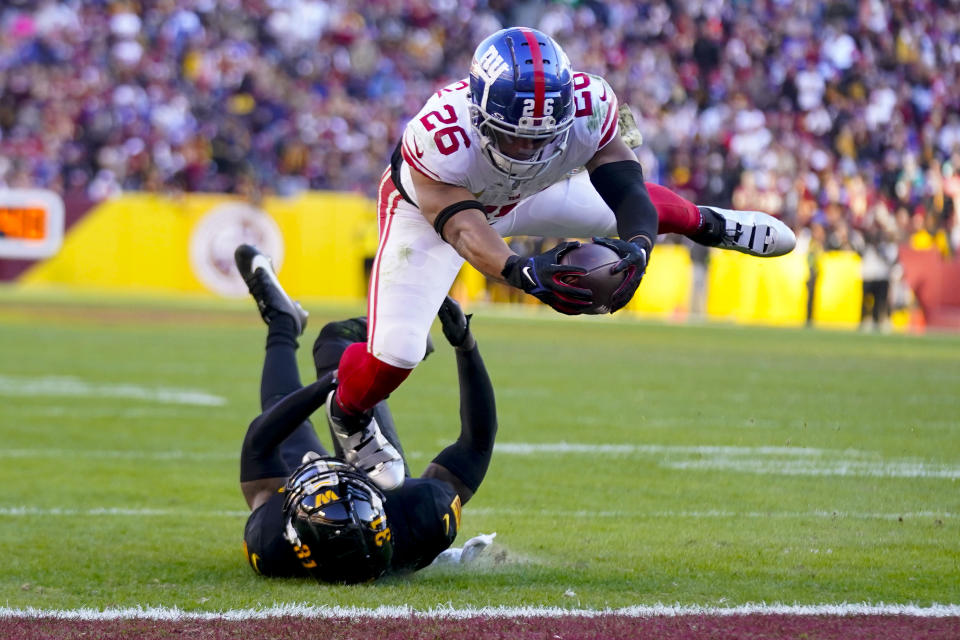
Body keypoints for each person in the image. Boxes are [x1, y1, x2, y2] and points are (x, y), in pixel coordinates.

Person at [326, 26, 798, 491]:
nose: (528, 148)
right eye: (514, 137)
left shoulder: (591, 105)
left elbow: (626, 186)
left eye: (540, 136)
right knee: (397, 352)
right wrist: (522, 271)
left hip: (526, 194)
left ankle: (714, 224)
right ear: (479, 113)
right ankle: (348, 415)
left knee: (628, 215)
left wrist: (639, 248)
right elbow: (464, 230)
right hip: (433, 214)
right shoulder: (440, 134)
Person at [235, 244, 497, 583]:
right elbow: (476, 443)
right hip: (377, 476)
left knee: (283, 407)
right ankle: (397, 342)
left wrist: (330, 384)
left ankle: (283, 323)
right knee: (332, 344)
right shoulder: (421, 515)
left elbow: (260, 442)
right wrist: (466, 345)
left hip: (327, 491)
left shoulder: (269, 542)